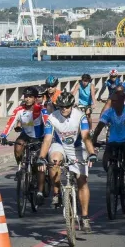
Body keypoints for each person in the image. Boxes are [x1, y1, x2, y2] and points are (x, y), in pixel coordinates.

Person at [37, 91, 97, 232]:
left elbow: (86, 137)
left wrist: (92, 153)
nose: (64, 109)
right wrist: (41, 158)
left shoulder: (80, 116)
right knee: (54, 160)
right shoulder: (52, 118)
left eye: (67, 106)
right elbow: (47, 139)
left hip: (77, 147)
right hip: (60, 145)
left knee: (82, 180)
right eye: (61, 106)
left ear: (72, 105)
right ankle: (56, 191)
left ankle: (85, 217)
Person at [91, 86, 125, 199]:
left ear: (121, 101)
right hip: (113, 141)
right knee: (105, 160)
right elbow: (99, 127)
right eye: (111, 101)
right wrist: (94, 140)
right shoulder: (109, 112)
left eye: (114, 101)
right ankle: (114, 175)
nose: (112, 103)